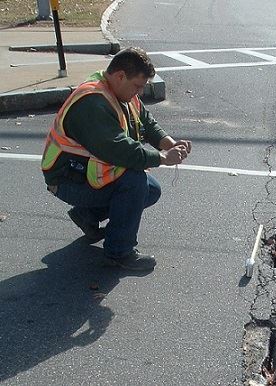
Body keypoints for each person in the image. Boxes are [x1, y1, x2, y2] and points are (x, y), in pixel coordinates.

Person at [41, 47, 191, 271]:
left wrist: (168, 143)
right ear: (120, 76)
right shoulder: (92, 103)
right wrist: (162, 158)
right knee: (135, 182)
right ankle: (119, 252)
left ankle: (87, 215)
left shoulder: (121, 93)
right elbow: (120, 151)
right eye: (137, 86)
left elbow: (145, 121)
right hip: (66, 179)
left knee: (150, 189)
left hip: (85, 173)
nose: (139, 93)